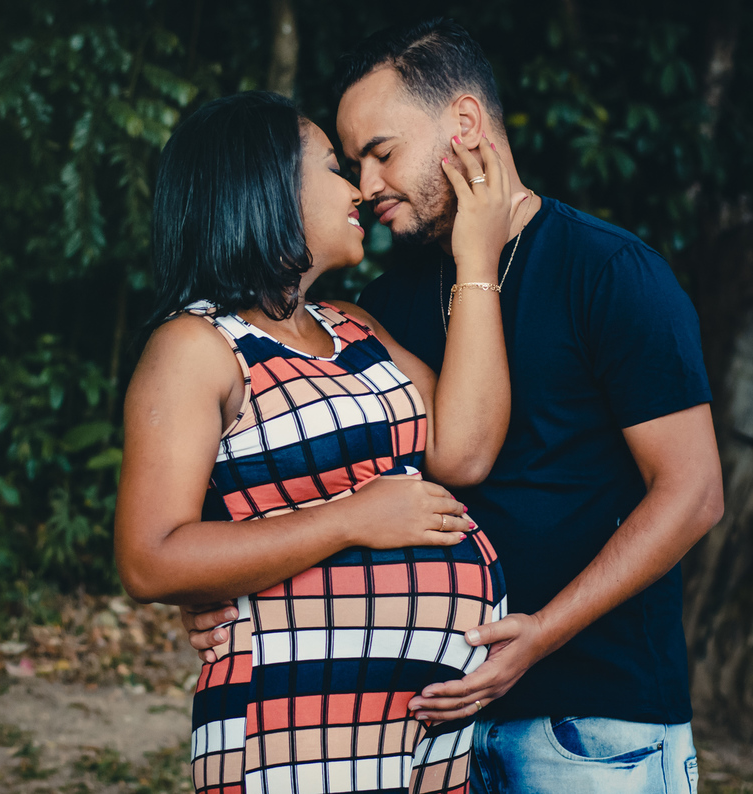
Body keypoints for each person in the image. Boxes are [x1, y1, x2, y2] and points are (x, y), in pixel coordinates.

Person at [181, 18, 725, 794]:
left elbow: (694, 493)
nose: (367, 188)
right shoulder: (380, 303)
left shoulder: (610, 273)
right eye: (354, 164)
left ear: (465, 127)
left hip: (592, 722)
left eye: (382, 153)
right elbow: (333, 481)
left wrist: (540, 636)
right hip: (428, 728)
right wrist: (215, 589)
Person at [115, 89, 526, 794]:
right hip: (295, 718)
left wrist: (476, 261)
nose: (361, 190)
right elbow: (150, 559)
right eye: (336, 168)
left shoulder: (353, 327)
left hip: (425, 726)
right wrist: (352, 521)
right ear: (266, 189)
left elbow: (466, 450)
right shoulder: (198, 347)